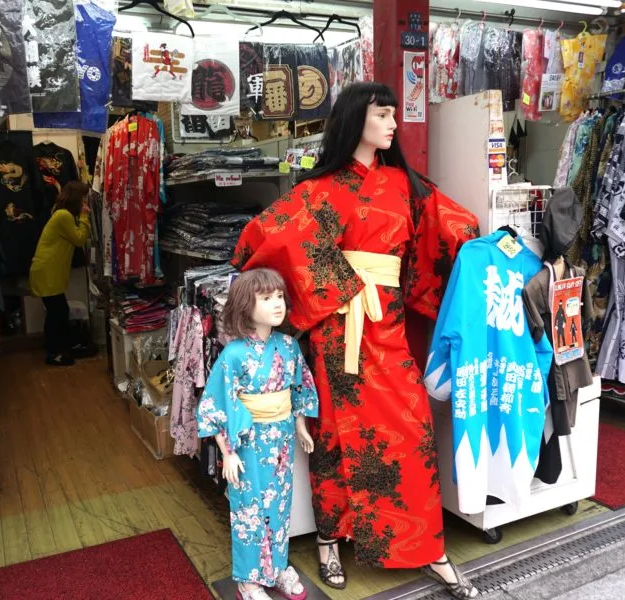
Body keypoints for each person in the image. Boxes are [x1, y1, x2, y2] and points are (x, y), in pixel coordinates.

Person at [231, 82, 481, 599]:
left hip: (386, 329)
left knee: (411, 431)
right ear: (354, 122)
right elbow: (267, 237)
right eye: (382, 115)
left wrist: (506, 252)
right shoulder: (317, 190)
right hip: (335, 332)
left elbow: (457, 228)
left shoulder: (405, 186)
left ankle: (426, 545)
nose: (393, 124)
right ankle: (329, 538)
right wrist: (342, 280)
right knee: (335, 436)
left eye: (393, 115)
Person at [197, 269, 319, 600]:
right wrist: (228, 451)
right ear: (244, 305)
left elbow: (299, 387)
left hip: (280, 438)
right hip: (247, 442)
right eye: (266, 298)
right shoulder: (234, 354)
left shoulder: (289, 346)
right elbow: (218, 402)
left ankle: (277, 567)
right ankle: (248, 580)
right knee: (248, 508)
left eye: (279, 296)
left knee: (279, 505)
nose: (277, 304)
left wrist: (300, 426)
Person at [29, 181, 91, 366]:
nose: (85, 201)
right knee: (58, 313)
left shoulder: (60, 213)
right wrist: (85, 216)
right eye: (84, 197)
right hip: (47, 271)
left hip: (48, 270)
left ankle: (57, 349)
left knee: (57, 312)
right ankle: (54, 353)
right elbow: (79, 239)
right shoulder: (63, 215)